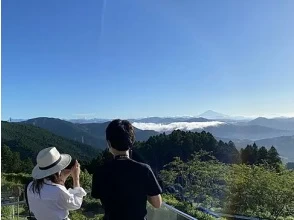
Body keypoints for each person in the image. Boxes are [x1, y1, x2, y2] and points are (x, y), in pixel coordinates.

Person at [92, 119, 162, 220]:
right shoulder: (143, 170)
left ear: (109, 143)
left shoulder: (100, 171)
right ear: (132, 141)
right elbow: (157, 203)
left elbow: (99, 196)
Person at [27, 147, 87, 220]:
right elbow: (76, 203)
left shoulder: (31, 186)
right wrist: (76, 178)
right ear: (58, 169)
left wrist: (62, 178)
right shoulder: (58, 191)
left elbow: (53, 198)